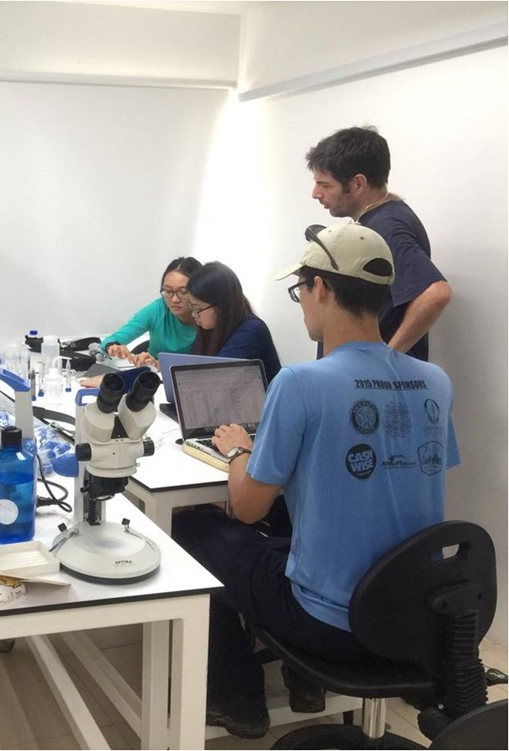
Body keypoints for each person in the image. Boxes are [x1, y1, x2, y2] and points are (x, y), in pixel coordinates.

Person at [171, 224, 459, 739]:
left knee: (194, 532)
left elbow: (247, 506)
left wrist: (238, 448)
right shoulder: (434, 381)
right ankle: (303, 685)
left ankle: (237, 698)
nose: (302, 302)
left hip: (334, 624)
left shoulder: (301, 382)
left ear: (321, 288)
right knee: (287, 537)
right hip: (414, 615)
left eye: (300, 289)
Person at [307, 125, 451, 361]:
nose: (315, 193)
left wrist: (387, 358)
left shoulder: (386, 226)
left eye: (325, 185)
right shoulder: (381, 220)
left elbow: (436, 293)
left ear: (358, 184)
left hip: (379, 386)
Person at [184, 261, 282, 381]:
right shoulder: (209, 329)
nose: (194, 314)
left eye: (197, 308)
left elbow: (213, 379)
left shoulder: (252, 331)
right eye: (191, 307)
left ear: (222, 305)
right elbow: (186, 372)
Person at [102, 256, 202, 369]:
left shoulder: (209, 316)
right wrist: (113, 347)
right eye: (168, 291)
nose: (174, 299)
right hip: (156, 378)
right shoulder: (157, 309)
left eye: (183, 292)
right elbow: (110, 341)